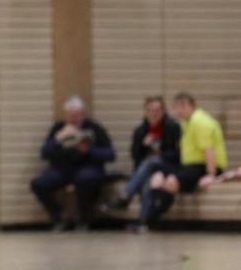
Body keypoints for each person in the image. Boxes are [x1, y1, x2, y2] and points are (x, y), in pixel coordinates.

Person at [133, 92, 227, 231]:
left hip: (202, 166)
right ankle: (146, 220)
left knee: (170, 182)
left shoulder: (200, 122)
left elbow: (208, 150)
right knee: (157, 179)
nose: (176, 111)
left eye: (177, 108)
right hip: (189, 166)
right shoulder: (186, 122)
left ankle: (148, 221)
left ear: (186, 106)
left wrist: (211, 174)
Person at [30, 96, 115, 231]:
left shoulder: (94, 128)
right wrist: (58, 139)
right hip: (63, 169)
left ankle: (84, 219)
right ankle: (60, 216)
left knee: (85, 179)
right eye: (71, 115)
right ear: (66, 115)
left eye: (77, 115)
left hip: (88, 167)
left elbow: (110, 154)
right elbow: (44, 153)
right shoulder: (59, 128)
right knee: (39, 184)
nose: (74, 118)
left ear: (83, 114)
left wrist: (89, 150)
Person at [104, 96, 181, 212]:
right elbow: (135, 156)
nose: (154, 114)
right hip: (145, 169)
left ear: (163, 111)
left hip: (167, 166)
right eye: (150, 110)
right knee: (146, 184)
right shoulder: (140, 130)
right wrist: (143, 145)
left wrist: (161, 153)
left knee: (151, 161)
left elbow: (179, 154)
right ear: (145, 112)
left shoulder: (173, 127)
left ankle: (125, 196)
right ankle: (144, 220)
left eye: (157, 110)